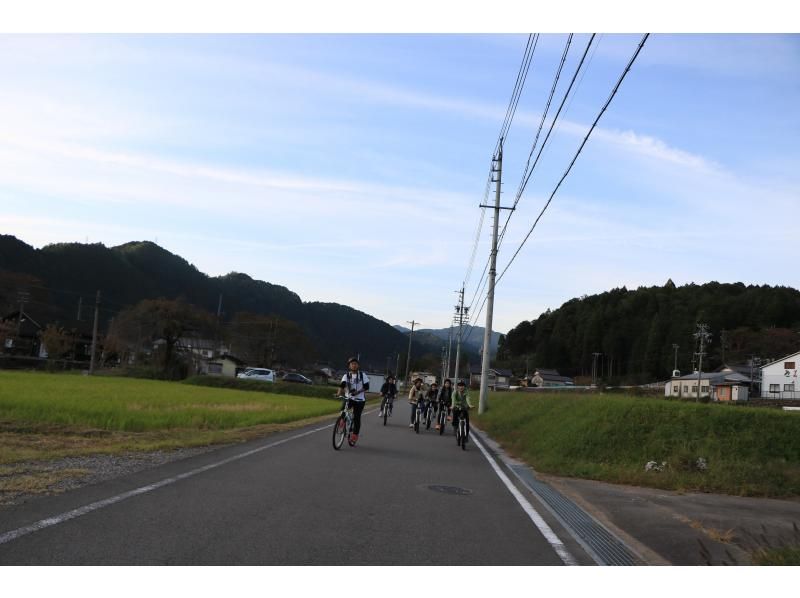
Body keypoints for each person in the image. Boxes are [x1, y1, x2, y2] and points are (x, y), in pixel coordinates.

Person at [337, 356, 370, 445]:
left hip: (360, 400)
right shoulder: (346, 375)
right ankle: (342, 423)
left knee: (357, 418)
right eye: (352, 364)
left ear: (358, 365)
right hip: (349, 398)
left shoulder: (363, 375)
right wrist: (338, 393)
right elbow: (342, 385)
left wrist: (358, 392)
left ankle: (354, 435)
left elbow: (367, 387)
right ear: (349, 366)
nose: (354, 365)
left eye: (355, 364)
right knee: (343, 410)